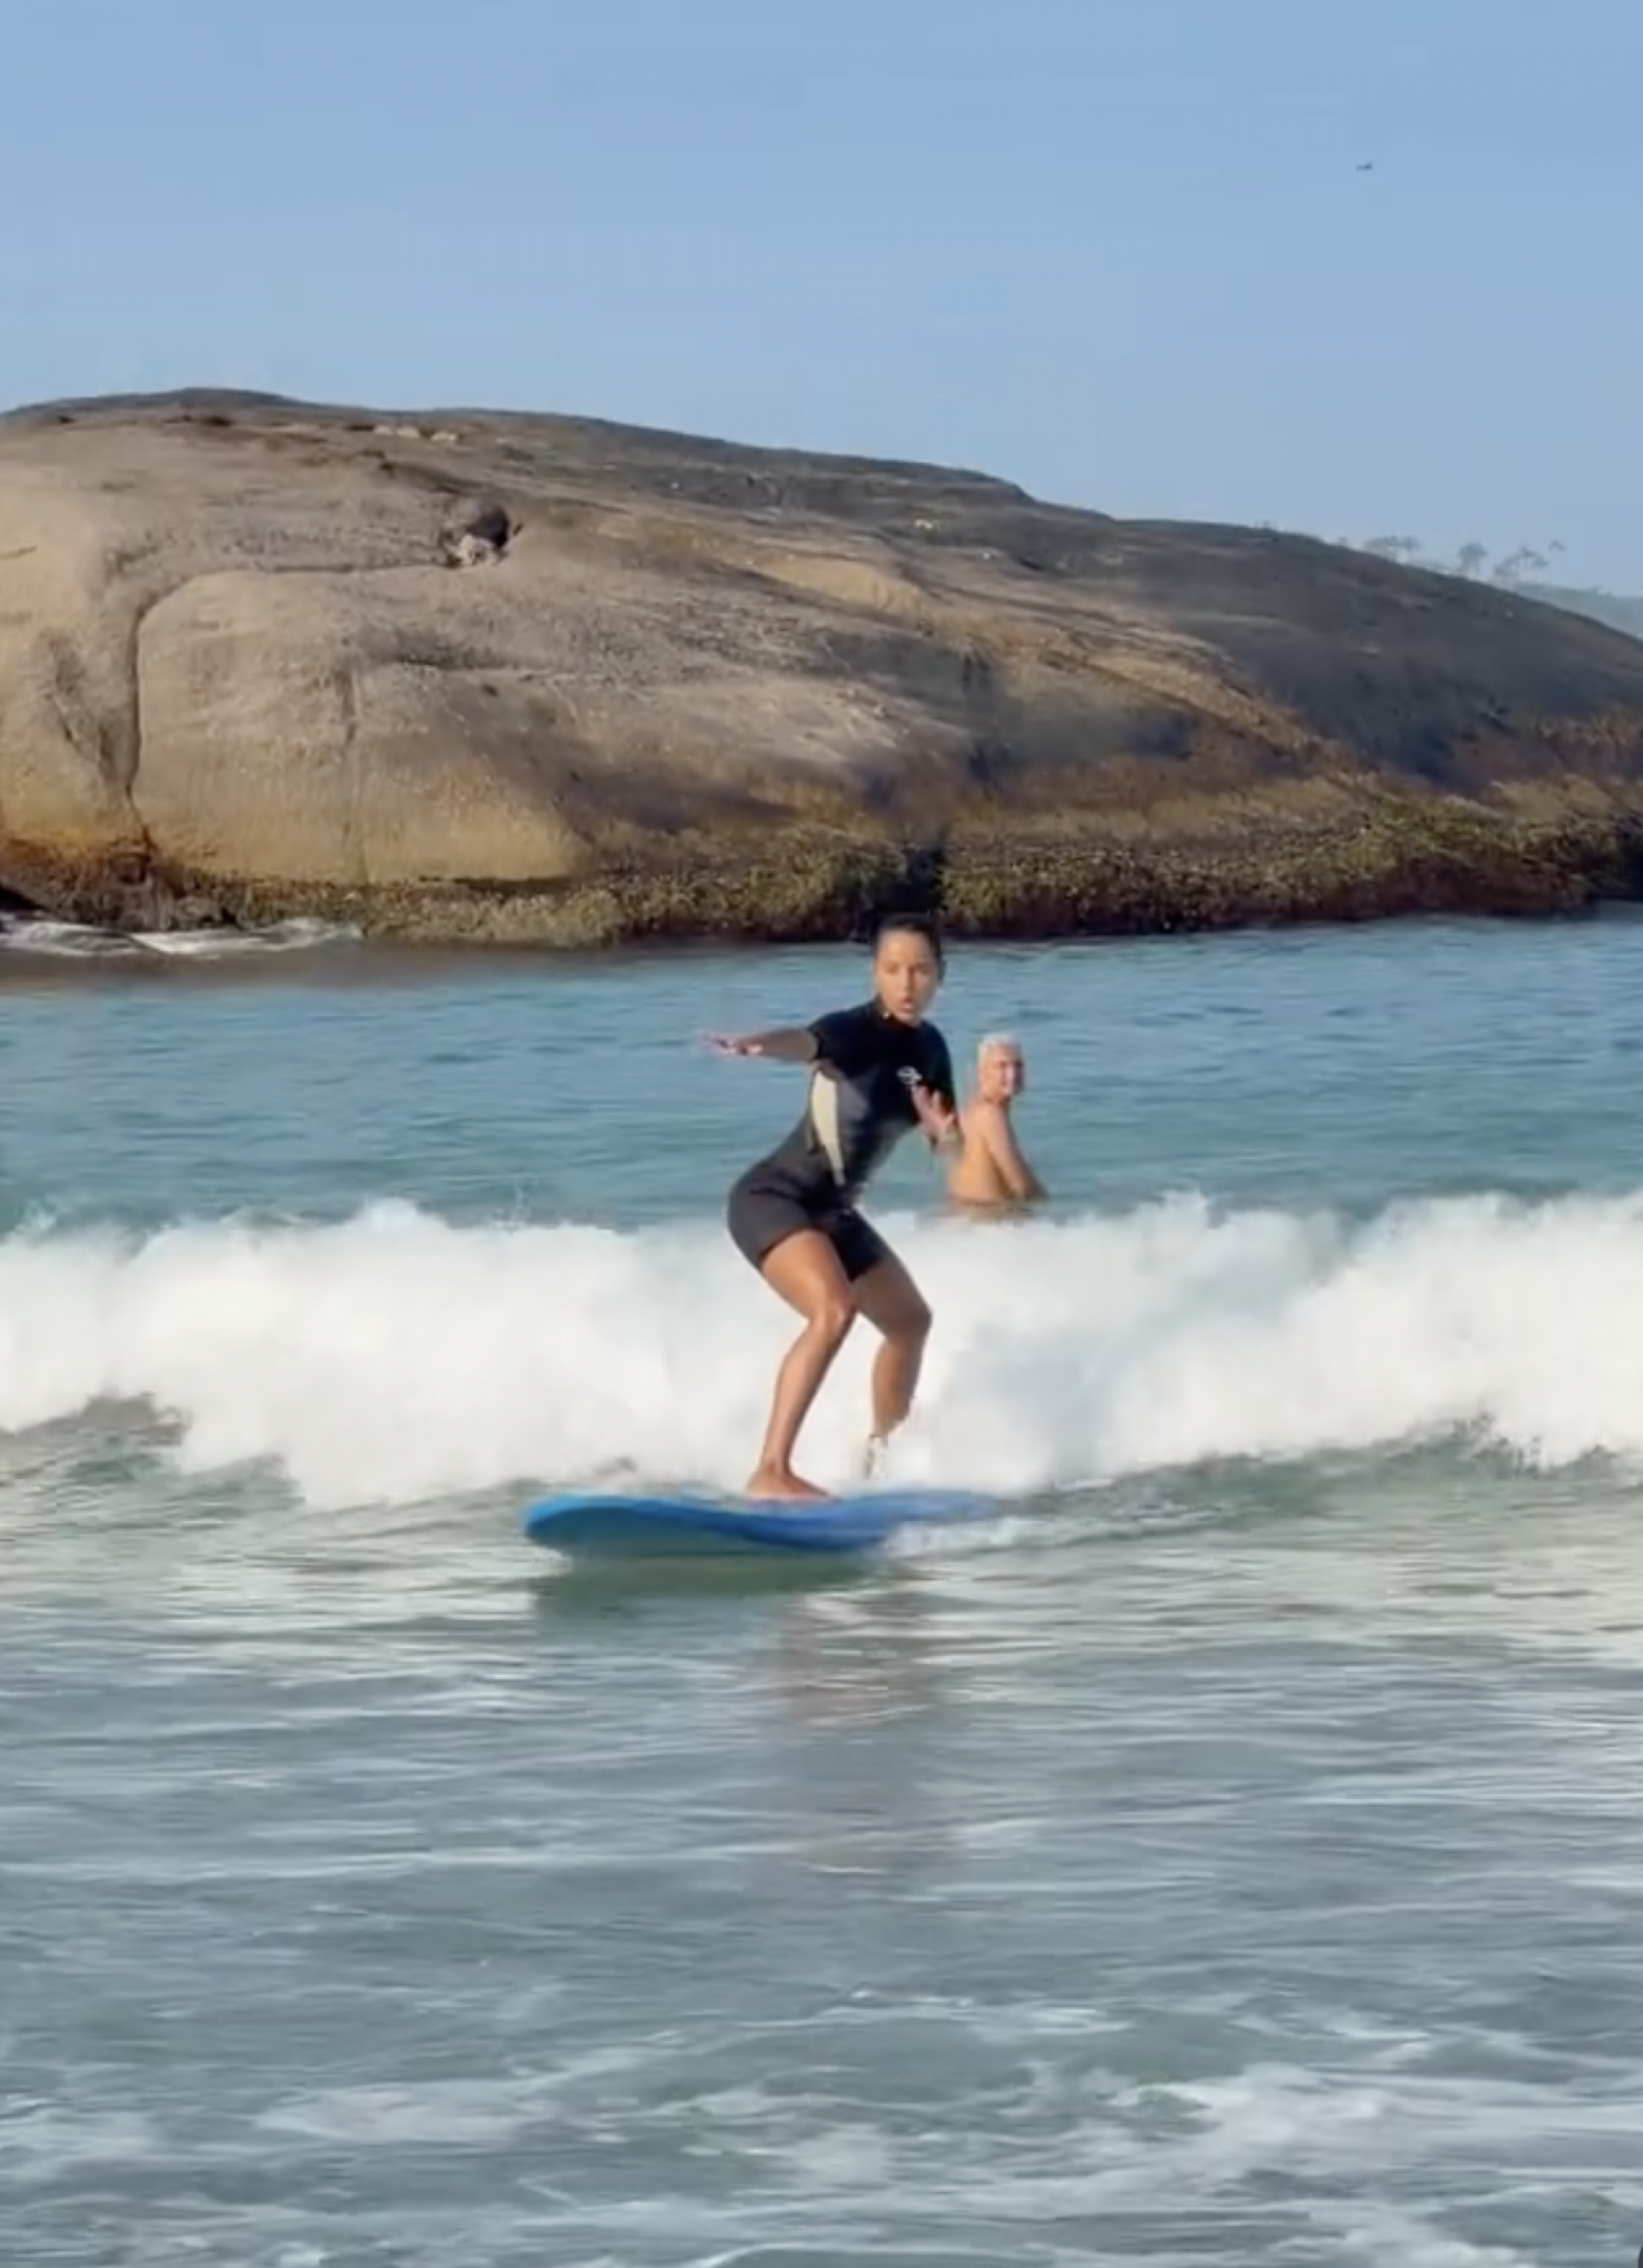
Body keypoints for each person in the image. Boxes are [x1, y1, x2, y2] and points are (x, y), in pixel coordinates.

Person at [703, 913, 958, 1499]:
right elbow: (805, 1042)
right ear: (876, 972)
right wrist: (760, 1043)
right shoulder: (853, 1030)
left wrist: (943, 1133)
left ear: (940, 976)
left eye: (920, 970)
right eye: (893, 969)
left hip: (831, 1213)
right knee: (833, 1311)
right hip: (775, 1198)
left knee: (910, 1321)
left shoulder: (931, 1049)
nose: (906, 983)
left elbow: (952, 1145)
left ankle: (881, 1462)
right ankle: (771, 1470)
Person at [946, 1032, 1047, 1213]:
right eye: (1002, 1066)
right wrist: (1057, 1212)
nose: (1013, 1074)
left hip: (965, 1221)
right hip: (987, 1226)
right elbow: (1021, 1184)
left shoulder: (968, 1110)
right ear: (982, 1072)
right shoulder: (990, 1115)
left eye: (1018, 1065)